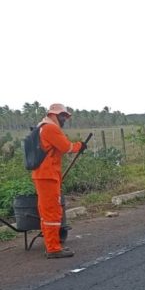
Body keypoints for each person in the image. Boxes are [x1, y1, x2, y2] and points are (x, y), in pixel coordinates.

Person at [31, 103, 85, 259]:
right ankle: (53, 248)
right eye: (63, 116)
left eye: (66, 116)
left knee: (46, 212)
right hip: (47, 176)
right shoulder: (50, 128)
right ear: (54, 114)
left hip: (43, 175)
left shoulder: (41, 126)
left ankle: (52, 244)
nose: (64, 119)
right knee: (52, 212)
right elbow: (66, 147)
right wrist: (80, 146)